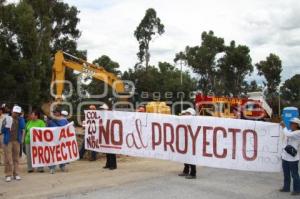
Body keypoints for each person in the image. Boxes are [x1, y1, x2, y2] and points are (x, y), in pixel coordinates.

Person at [2, 105, 25, 182]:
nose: (16, 114)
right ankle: (8, 174)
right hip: (7, 141)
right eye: (15, 112)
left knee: (16, 158)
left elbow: (23, 128)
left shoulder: (20, 119)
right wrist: (6, 126)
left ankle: (16, 174)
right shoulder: (7, 118)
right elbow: (2, 130)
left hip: (16, 141)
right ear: (12, 111)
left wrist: (21, 139)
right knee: (8, 158)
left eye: (18, 113)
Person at [280, 117, 300, 195]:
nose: (291, 124)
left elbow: (288, 134)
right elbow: (285, 136)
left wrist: (283, 127)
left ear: (297, 125)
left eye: (293, 123)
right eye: (291, 123)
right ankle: (286, 187)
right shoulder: (291, 131)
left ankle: (297, 190)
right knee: (286, 174)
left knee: (294, 175)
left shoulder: (298, 132)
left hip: (293, 158)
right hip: (285, 157)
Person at [47, 107, 69, 174]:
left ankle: (62, 166)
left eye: (55, 112)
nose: (54, 113)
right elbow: (46, 130)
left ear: (59, 113)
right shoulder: (50, 122)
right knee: (53, 153)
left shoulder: (64, 120)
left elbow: (68, 128)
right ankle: (52, 168)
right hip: (53, 141)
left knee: (62, 153)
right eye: (54, 112)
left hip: (62, 140)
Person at [178, 108, 197, 179]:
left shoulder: (194, 122)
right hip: (185, 140)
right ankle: (186, 170)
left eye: (188, 113)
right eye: (186, 113)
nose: (186, 114)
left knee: (191, 158)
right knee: (185, 157)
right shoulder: (185, 121)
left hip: (191, 141)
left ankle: (193, 173)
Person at [102, 103, 117, 170]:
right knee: (107, 150)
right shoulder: (103, 116)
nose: (102, 110)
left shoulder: (111, 115)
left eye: (103, 109)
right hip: (106, 134)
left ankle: (113, 165)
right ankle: (108, 164)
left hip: (111, 134)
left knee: (111, 150)